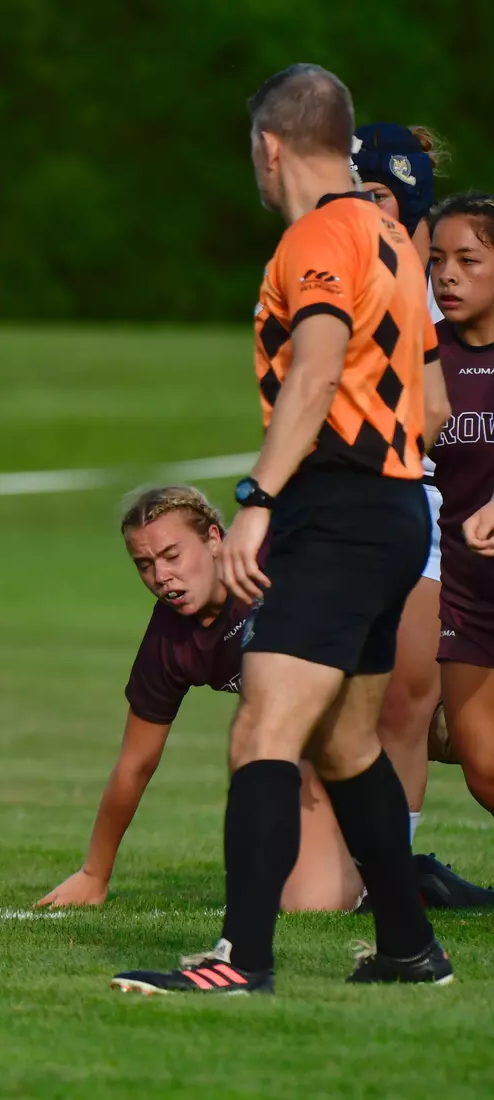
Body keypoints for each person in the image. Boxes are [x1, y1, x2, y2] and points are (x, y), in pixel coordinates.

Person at [113, 64, 452, 996]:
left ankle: (241, 962)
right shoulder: (392, 236)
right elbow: (433, 407)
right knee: (344, 745)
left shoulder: (316, 235)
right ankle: (409, 948)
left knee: (261, 728)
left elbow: (313, 366)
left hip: (333, 508)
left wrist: (261, 496)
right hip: (393, 511)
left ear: (270, 148)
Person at [35, 487, 362, 912]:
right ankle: (412, 880)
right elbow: (135, 764)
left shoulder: (274, 558)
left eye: (172, 555)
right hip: (311, 743)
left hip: (377, 699)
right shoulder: (169, 641)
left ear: (213, 539)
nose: (161, 577)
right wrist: (95, 874)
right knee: (312, 903)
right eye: (145, 565)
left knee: (463, 747)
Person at [352, 123, 445, 849]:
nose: (361, 206)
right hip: (348, 508)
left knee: (410, 702)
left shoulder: (436, 293)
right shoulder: (339, 279)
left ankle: (398, 859)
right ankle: (348, 856)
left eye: (377, 192)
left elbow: (440, 410)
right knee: (343, 699)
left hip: (422, 507)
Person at [429, 193, 494, 848]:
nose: (447, 274)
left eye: (469, 260)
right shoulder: (424, 360)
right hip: (466, 595)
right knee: (484, 770)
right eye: (438, 260)